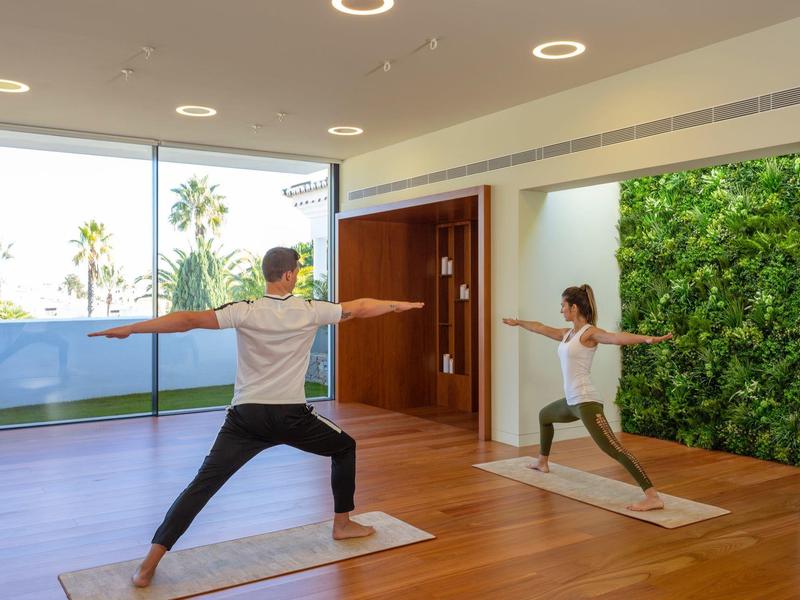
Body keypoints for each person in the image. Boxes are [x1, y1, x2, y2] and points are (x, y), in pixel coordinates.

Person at [89, 246, 423, 588]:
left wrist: (132, 328)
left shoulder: (244, 310)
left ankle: (147, 567)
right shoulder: (311, 310)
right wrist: (400, 306)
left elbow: (188, 319)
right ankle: (342, 524)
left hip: (245, 418)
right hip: (292, 416)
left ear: (267, 274)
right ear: (290, 275)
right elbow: (362, 308)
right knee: (344, 447)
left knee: (201, 486)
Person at [502, 284, 671, 512]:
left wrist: (646, 339)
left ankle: (652, 496)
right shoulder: (567, 334)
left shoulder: (589, 333)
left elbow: (614, 338)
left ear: (573, 307)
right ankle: (542, 462)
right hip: (572, 402)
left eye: (563, 306)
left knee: (614, 449)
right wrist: (519, 322)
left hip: (586, 402)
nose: (560, 310)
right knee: (545, 416)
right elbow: (540, 328)